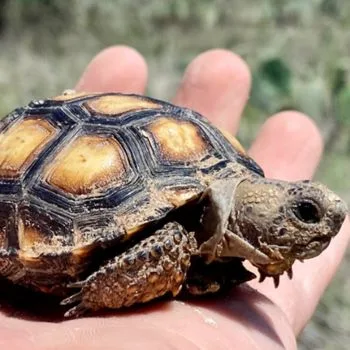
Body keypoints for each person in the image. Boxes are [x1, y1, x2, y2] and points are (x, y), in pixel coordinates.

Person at [2, 47, 349, 350]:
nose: (326, 223)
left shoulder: (229, 178)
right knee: (172, 243)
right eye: (304, 212)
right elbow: (169, 239)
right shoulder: (176, 239)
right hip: (48, 163)